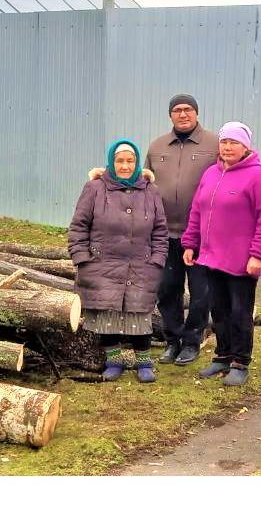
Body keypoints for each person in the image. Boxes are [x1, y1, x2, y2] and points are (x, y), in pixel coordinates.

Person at [90, 94, 219, 366]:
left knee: (201, 292)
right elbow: (138, 180)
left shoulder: (214, 144)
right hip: (162, 234)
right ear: (170, 115)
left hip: (200, 235)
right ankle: (172, 341)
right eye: (177, 110)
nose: (183, 114)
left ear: (196, 113)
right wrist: (106, 177)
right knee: (167, 290)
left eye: (188, 110)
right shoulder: (158, 145)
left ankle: (192, 342)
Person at [181, 122, 261, 387]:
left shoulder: (259, 177)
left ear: (246, 146)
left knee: (240, 313)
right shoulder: (211, 173)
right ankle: (222, 356)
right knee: (219, 311)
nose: (227, 147)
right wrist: (190, 243)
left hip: (242, 262)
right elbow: (197, 210)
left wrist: (258, 255)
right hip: (211, 257)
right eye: (224, 142)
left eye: (234, 142)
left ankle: (240, 362)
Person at [69, 139, 170, 383]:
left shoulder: (151, 191)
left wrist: (157, 260)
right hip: (102, 264)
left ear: (137, 163)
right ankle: (114, 361)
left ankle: (144, 362)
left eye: (130, 161)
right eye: (120, 161)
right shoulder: (94, 188)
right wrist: (82, 258)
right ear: (111, 162)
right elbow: (79, 226)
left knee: (140, 315)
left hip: (141, 264)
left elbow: (160, 231)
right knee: (107, 315)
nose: (125, 166)